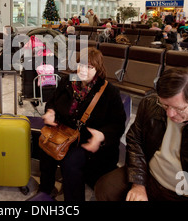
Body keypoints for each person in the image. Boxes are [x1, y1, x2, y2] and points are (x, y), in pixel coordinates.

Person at [95, 67, 188, 201]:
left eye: (179, 108)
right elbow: (135, 141)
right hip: (150, 177)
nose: (170, 114)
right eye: (165, 105)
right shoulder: (151, 105)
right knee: (106, 187)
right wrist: (138, 183)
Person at [37, 47, 126, 201]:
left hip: (88, 140)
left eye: (89, 67)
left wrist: (102, 135)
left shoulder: (109, 92)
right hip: (64, 133)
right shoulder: (67, 81)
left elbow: (118, 124)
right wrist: (51, 111)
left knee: (70, 162)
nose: (83, 70)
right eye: (81, 64)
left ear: (98, 69)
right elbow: (52, 101)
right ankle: (45, 190)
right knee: (46, 147)